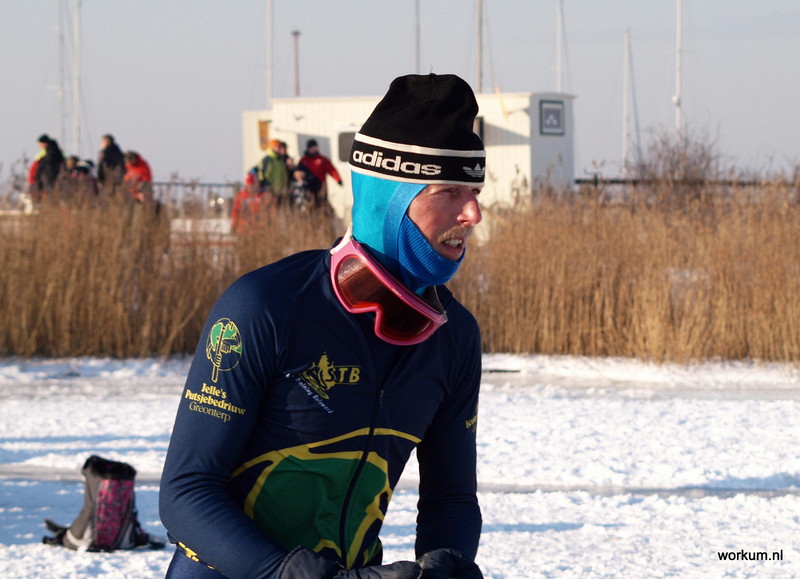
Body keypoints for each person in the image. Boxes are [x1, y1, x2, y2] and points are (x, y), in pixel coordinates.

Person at [160, 73, 486, 579]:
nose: (474, 213)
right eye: (449, 191)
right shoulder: (267, 305)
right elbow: (186, 493)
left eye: (476, 191)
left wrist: (447, 565)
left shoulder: (454, 336)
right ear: (388, 197)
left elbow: (452, 498)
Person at [299, 138, 343, 210]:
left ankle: (322, 216)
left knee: (322, 204)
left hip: (321, 187)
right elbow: (298, 172)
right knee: (310, 204)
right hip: (308, 187)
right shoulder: (304, 160)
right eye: (312, 148)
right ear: (308, 149)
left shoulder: (322, 160)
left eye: (315, 147)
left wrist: (338, 179)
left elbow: (331, 170)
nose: (314, 149)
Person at [251, 138, 289, 206]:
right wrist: (265, 186)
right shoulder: (267, 159)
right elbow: (260, 173)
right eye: (278, 147)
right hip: (269, 191)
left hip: (280, 190)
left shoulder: (280, 159)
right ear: (273, 147)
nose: (280, 148)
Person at [33, 134, 65, 201]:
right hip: (51, 177)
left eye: (40, 144)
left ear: (44, 143)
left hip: (50, 177)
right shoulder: (53, 150)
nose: (39, 146)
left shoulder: (50, 153)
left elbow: (44, 165)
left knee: (51, 194)